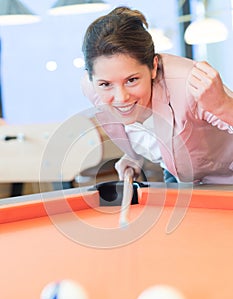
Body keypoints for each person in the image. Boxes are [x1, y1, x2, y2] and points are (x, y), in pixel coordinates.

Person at [81, 6, 233, 184]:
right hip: (179, 175)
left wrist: (223, 107)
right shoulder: (92, 87)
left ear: (153, 67)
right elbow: (143, 130)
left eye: (132, 80)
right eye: (106, 84)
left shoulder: (189, 84)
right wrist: (134, 155)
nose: (121, 97)